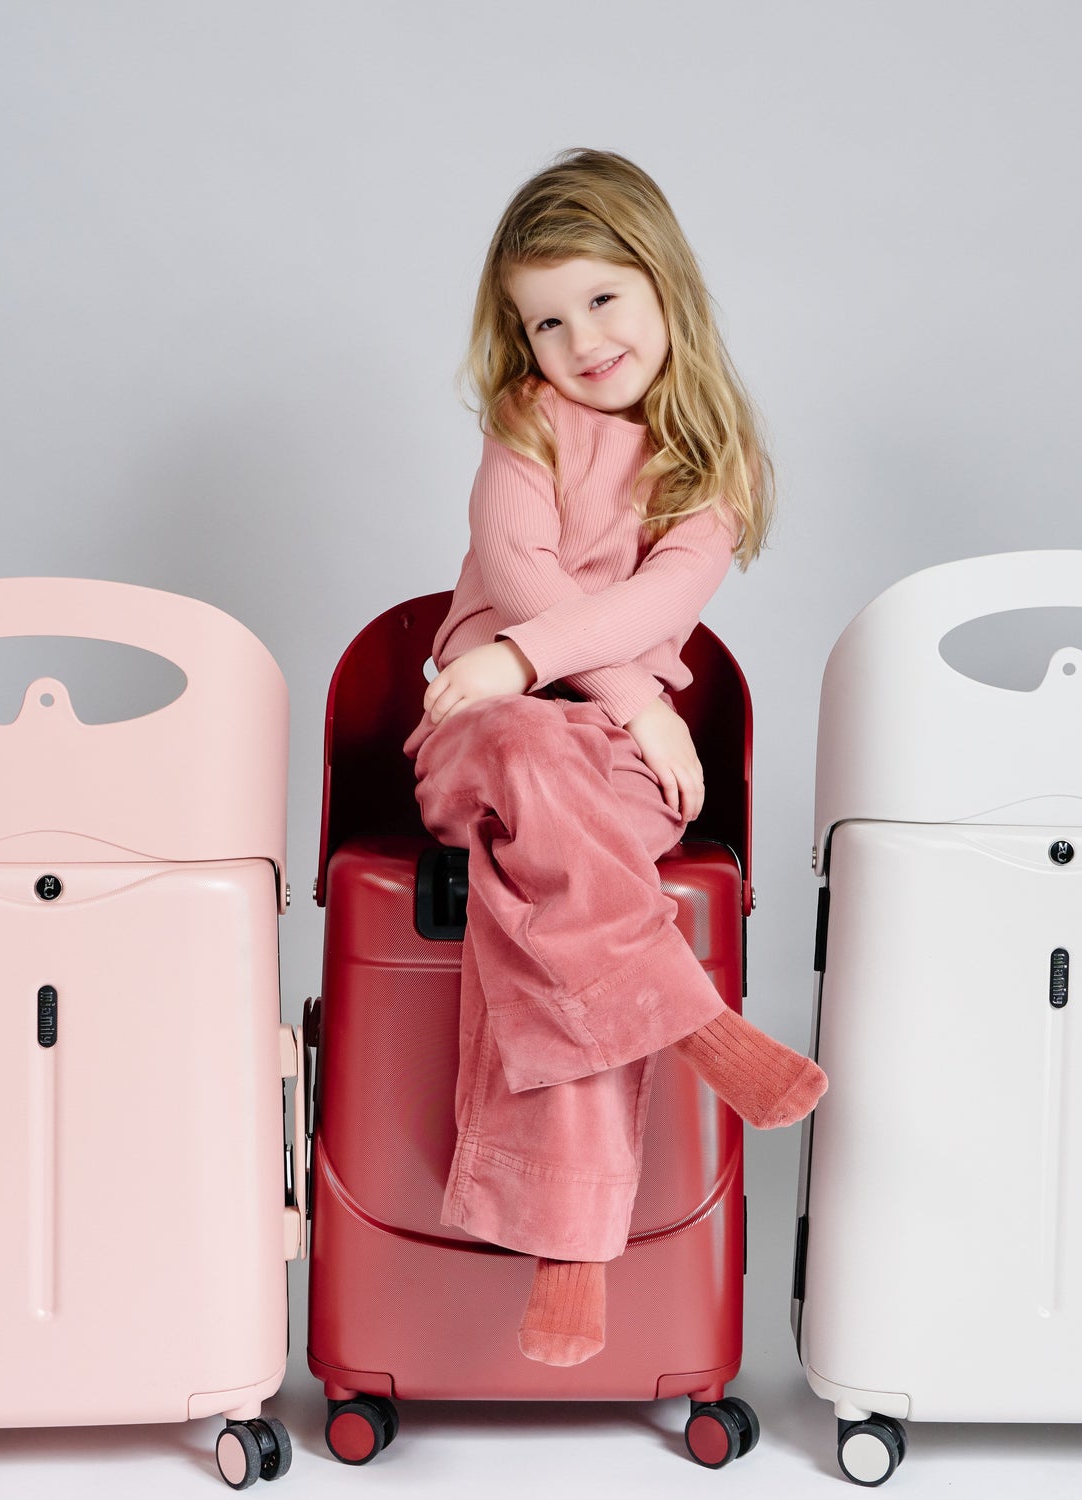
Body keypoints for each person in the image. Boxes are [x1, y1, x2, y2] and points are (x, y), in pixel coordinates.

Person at [403, 149, 826, 1368]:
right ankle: (687, 1019)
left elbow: (661, 599)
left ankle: (574, 1253)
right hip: (484, 738)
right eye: (546, 319)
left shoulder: (712, 465)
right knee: (532, 746)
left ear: (662, 282)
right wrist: (570, 684)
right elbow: (524, 565)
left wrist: (631, 714)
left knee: (566, 912)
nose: (580, 338)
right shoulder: (525, 424)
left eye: (601, 298)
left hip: (613, 759)